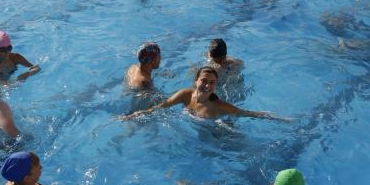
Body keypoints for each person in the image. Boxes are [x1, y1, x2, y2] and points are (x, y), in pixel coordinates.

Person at [122, 67, 285, 120]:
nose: (208, 85)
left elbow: (247, 113)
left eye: (212, 82)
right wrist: (134, 115)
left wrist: (276, 118)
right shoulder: (185, 95)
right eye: (204, 80)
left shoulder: (218, 105)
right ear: (196, 81)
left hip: (217, 135)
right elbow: (161, 106)